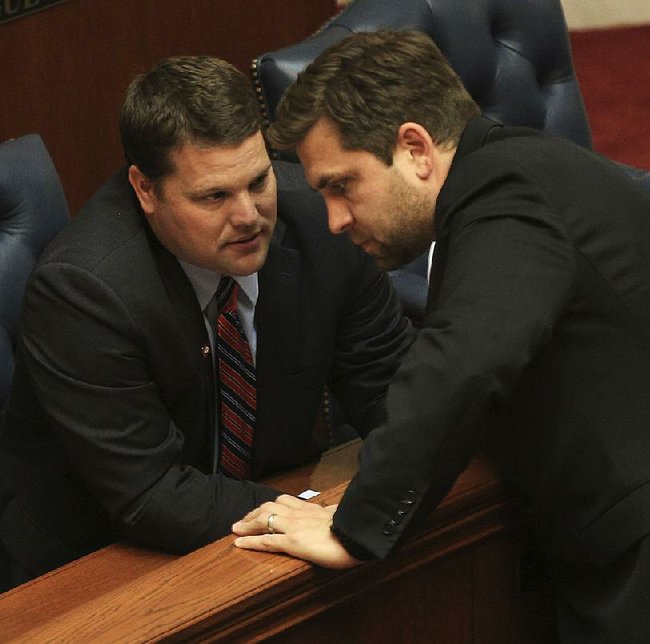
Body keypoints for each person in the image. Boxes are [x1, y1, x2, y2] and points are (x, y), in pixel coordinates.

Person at [231, 30, 650, 643]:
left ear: (415, 147)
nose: (336, 220)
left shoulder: (499, 199)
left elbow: (459, 363)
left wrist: (354, 528)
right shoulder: (551, 164)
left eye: (342, 185)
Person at [0, 55, 413, 591]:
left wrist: (413, 468)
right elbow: (152, 495)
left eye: (258, 180)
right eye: (214, 196)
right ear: (145, 190)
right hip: (98, 566)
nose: (249, 216)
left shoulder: (320, 222)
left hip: (257, 530)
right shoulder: (83, 290)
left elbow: (391, 386)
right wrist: (314, 515)